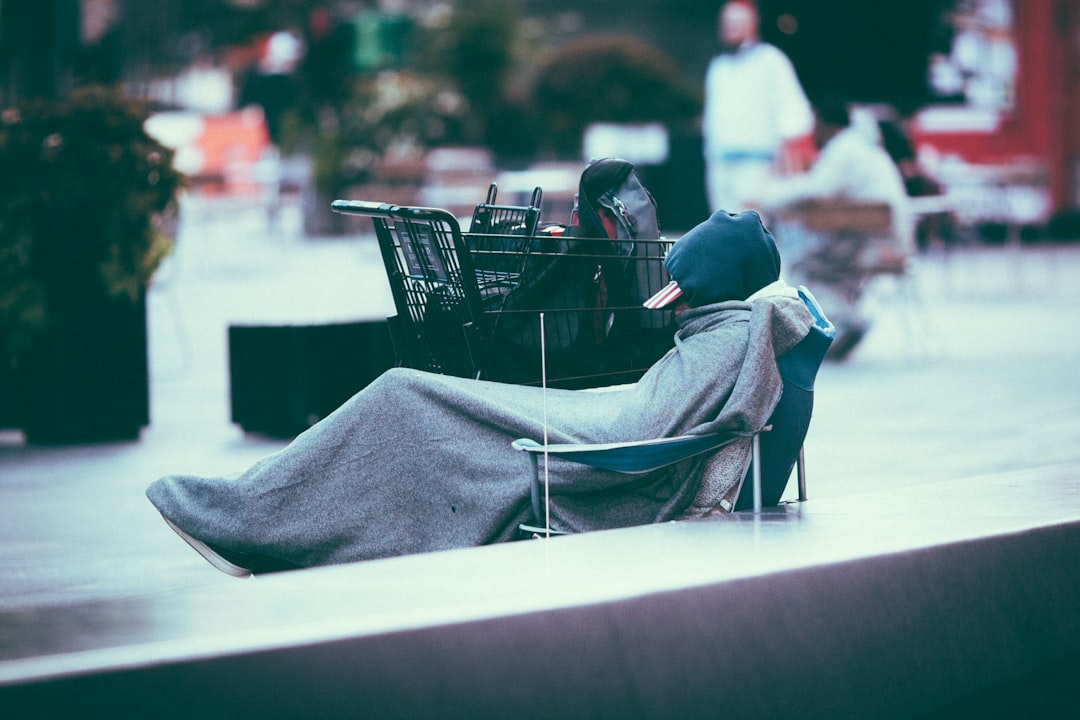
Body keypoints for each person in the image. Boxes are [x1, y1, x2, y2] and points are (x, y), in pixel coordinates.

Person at [147, 211, 817, 577]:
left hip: (594, 445)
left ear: (706, 273)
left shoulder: (727, 341)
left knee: (404, 396)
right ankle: (265, 514)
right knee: (406, 398)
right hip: (591, 425)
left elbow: (641, 430)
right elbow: (655, 410)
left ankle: (251, 515)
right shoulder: (726, 334)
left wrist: (545, 422)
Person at [758, 100, 914, 359]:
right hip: (888, 240)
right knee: (821, 257)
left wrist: (767, 196)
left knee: (804, 263)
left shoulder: (845, 149)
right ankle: (844, 319)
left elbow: (817, 187)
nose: (814, 132)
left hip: (875, 245)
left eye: (816, 125)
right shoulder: (865, 148)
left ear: (828, 125)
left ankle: (845, 320)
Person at [702, 0, 814, 214]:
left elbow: (794, 110)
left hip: (758, 164)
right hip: (721, 164)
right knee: (720, 226)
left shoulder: (770, 60)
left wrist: (789, 154)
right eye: (727, 22)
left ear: (752, 24)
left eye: (737, 21)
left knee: (753, 225)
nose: (730, 27)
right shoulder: (718, 67)